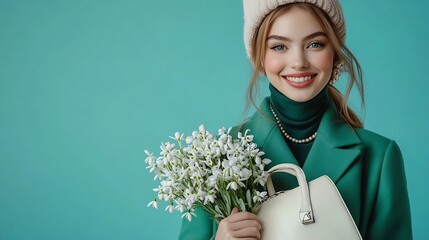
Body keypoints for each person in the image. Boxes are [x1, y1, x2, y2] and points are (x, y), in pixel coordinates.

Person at [178, 0, 412, 239]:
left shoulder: (379, 157)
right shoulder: (217, 159)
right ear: (259, 57)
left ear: (334, 53)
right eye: (279, 46)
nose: (299, 61)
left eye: (315, 44)